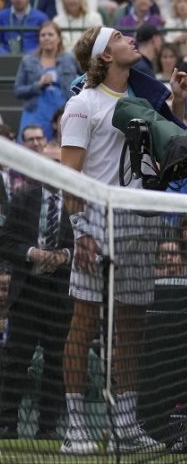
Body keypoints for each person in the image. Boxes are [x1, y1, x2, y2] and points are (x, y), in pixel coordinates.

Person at [59, 26, 187, 454]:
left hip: (140, 221)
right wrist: (81, 231)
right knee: (84, 323)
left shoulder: (147, 100)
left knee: (132, 328)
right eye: (119, 37)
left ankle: (125, 425)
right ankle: (76, 427)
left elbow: (173, 151)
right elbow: (69, 176)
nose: (130, 39)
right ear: (103, 55)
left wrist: (179, 102)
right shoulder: (82, 105)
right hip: (96, 224)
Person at [0, 176, 74, 441]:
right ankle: (6, 424)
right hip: (27, 291)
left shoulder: (77, 203)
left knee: (56, 362)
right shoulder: (23, 199)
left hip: (61, 294)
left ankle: (48, 428)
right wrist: (32, 252)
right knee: (16, 359)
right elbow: (5, 241)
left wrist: (65, 255)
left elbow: (88, 245)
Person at [14, 21, 78, 141]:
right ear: (39, 39)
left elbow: (85, 79)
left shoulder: (70, 59)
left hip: (62, 112)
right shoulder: (27, 60)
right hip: (34, 112)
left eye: (50, 34)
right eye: (43, 35)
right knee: (30, 144)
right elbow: (18, 91)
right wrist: (38, 85)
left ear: (59, 38)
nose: (46, 38)